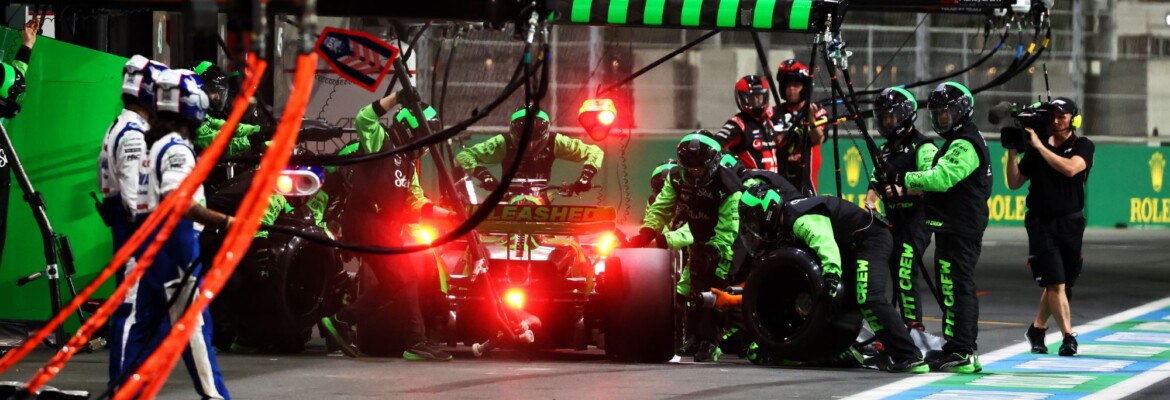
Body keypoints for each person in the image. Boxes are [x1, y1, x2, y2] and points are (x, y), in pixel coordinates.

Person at [319, 91, 453, 361]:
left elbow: (416, 202)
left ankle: (341, 320)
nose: (427, 147)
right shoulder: (381, 142)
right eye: (425, 138)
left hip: (384, 228)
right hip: (366, 222)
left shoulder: (408, 163)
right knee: (406, 278)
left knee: (396, 283)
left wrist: (450, 215)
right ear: (412, 131)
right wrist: (395, 98)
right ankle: (415, 342)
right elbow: (364, 119)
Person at [736, 186, 929, 373]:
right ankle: (841, 349)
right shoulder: (788, 220)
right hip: (852, 245)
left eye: (753, 219)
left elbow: (825, 244)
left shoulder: (799, 218)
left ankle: (909, 356)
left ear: (767, 211)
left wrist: (831, 276)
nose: (753, 226)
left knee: (868, 297)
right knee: (849, 299)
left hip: (870, 239)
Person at [129, 69, 231, 399]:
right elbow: (179, 201)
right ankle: (214, 396)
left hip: (152, 244)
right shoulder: (177, 149)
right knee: (195, 328)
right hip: (176, 244)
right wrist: (227, 222)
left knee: (146, 328)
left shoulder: (154, 145)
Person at [878, 81, 991, 373]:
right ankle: (957, 347)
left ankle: (963, 351)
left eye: (946, 113)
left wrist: (903, 178)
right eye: (938, 114)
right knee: (951, 285)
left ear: (962, 111)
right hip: (951, 226)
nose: (942, 119)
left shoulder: (965, 143)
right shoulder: (958, 140)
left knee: (957, 286)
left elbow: (940, 178)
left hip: (961, 227)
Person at [629, 132, 742, 362]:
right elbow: (662, 207)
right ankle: (694, 336)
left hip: (731, 240)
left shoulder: (729, 186)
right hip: (700, 235)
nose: (694, 174)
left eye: (699, 170)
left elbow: (729, 229)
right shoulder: (676, 178)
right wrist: (647, 231)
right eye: (690, 169)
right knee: (695, 284)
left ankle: (712, 341)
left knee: (716, 281)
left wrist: (714, 249)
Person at [98, 54, 168, 386]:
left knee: (141, 310)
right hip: (135, 232)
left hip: (129, 230)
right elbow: (133, 196)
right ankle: (124, 385)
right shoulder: (134, 133)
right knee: (132, 310)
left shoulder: (124, 126)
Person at [1005, 97, 1093, 357]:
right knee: (1056, 282)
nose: (1056, 121)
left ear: (1074, 119)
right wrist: (1012, 152)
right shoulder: (1037, 147)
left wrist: (1039, 146)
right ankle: (1068, 337)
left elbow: (1070, 169)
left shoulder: (1083, 145)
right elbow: (1014, 182)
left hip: (1071, 222)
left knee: (1063, 283)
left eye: (1062, 116)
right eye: (1053, 115)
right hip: (1041, 223)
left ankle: (1037, 328)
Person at [865, 87, 938, 331]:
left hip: (917, 219)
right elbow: (875, 181)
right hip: (893, 219)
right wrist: (870, 202)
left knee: (906, 269)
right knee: (895, 270)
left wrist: (903, 190)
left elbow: (931, 180)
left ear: (905, 115)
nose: (887, 122)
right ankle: (898, 327)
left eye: (891, 117)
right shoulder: (885, 150)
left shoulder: (923, 146)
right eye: (883, 118)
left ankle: (914, 326)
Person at [456, 106, 603, 197]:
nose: (530, 146)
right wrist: (485, 176)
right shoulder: (502, 142)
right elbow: (464, 155)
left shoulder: (556, 141)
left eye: (536, 142)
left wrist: (585, 177)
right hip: (507, 198)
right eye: (524, 143)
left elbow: (595, 152)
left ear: (545, 135)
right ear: (514, 134)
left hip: (540, 198)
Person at [0, 19, 39, 266]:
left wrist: (27, 45)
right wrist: (27, 45)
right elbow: (16, 73)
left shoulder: (6, 93)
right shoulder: (7, 102)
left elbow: (14, 75)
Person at [192, 61, 268, 156]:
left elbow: (228, 127)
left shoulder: (202, 115)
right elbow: (218, 144)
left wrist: (261, 130)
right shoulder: (190, 117)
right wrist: (254, 139)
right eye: (212, 91)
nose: (217, 97)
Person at [774, 59, 827, 195]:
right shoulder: (773, 113)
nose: (791, 89)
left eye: (796, 85)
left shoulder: (817, 110)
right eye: (788, 85)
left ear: (805, 87)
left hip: (806, 179)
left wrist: (810, 118)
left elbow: (819, 139)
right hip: (779, 176)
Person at [712, 75, 783, 173]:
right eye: (751, 98)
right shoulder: (737, 123)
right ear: (742, 98)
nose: (756, 101)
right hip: (750, 181)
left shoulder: (769, 121)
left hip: (774, 180)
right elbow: (715, 146)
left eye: (759, 97)